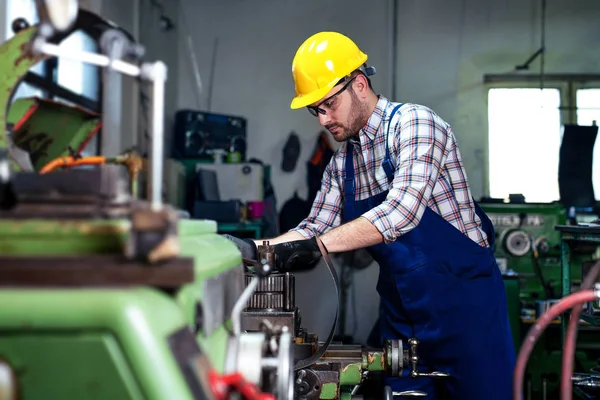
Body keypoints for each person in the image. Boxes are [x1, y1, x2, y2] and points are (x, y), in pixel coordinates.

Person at [224, 31, 515, 399]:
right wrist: (252, 249)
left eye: (328, 104)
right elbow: (313, 227)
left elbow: (401, 212)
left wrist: (317, 246)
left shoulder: (415, 125)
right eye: (316, 110)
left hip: (466, 315)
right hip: (401, 319)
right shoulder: (342, 163)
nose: (322, 120)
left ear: (359, 85)